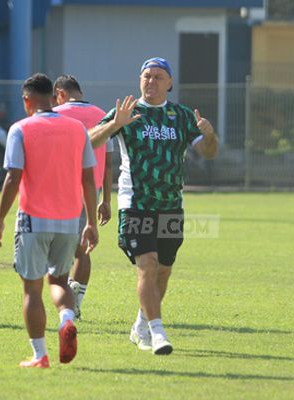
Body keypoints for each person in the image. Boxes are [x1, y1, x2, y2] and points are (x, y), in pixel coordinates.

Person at [88, 57, 218, 355]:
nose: (151, 81)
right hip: (136, 203)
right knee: (146, 264)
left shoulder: (182, 116)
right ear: (139, 80)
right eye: (146, 76)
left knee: (163, 271)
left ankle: (141, 324)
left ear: (170, 83)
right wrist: (112, 125)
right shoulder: (128, 112)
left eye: (158, 77)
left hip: (171, 204)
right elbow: (87, 141)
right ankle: (158, 333)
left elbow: (209, 153)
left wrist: (210, 136)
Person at [0, 73, 98, 368]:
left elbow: (13, 177)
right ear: (53, 97)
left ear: (26, 100)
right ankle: (66, 319)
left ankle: (40, 355)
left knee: (31, 289)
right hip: (68, 220)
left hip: (33, 220)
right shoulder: (77, 129)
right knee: (60, 280)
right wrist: (89, 222)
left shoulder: (20, 129)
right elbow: (89, 178)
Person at [53, 75, 115, 319]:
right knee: (84, 249)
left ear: (60, 93)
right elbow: (109, 163)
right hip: (93, 188)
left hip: (62, 187)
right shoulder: (102, 115)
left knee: (61, 247)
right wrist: (106, 199)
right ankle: (76, 301)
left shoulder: (56, 114)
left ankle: (67, 301)